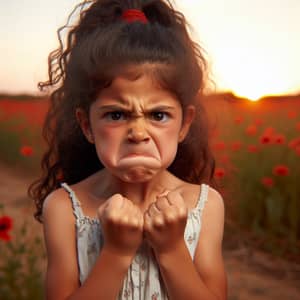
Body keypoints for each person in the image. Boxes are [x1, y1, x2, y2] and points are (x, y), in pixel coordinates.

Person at [29, 0, 227, 299]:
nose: (138, 133)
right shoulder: (64, 208)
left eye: (158, 115)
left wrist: (172, 250)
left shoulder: (206, 205)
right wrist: (117, 252)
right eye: (116, 115)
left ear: (184, 124)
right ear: (87, 125)